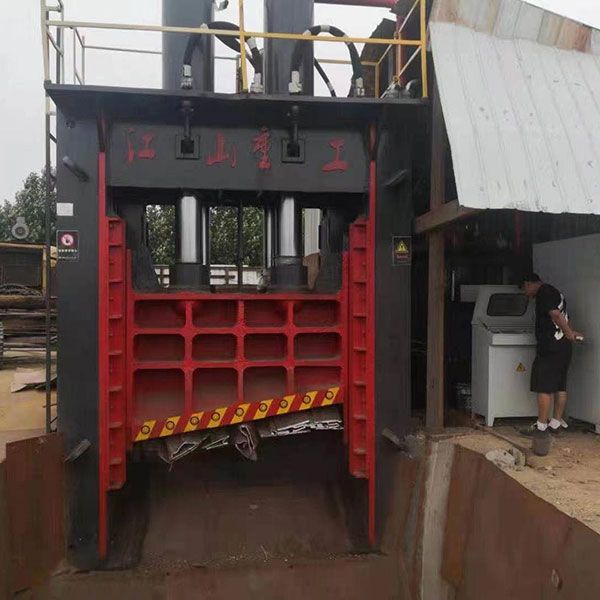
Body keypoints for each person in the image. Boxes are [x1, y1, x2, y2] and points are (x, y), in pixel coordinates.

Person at [521, 273, 583, 435]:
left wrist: (569, 333)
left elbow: (555, 314)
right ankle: (555, 423)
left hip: (550, 346)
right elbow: (563, 316)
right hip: (563, 346)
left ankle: (541, 426)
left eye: (524, 290)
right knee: (560, 385)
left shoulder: (544, 293)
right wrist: (569, 332)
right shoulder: (555, 292)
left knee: (544, 386)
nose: (526, 294)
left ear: (528, 284)